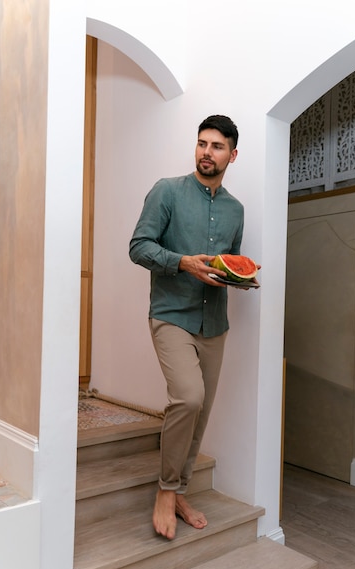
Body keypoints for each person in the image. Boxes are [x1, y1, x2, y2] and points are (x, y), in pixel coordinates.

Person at [129, 114, 245, 540]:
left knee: (201, 414)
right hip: (171, 314)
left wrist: (240, 277)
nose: (206, 152)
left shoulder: (235, 209)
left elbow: (229, 260)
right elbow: (138, 246)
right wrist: (182, 262)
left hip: (215, 322)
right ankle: (164, 490)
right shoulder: (167, 191)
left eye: (216, 146)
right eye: (201, 143)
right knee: (189, 398)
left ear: (232, 155)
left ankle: (179, 490)